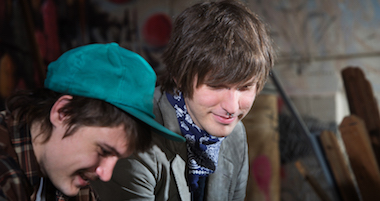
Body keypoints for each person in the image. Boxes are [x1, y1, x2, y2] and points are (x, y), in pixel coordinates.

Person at [92, 0, 275, 200]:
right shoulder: (133, 138)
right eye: (215, 86)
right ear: (180, 76)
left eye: (245, 87)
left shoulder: (234, 134)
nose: (232, 107)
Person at [0, 42, 185, 200]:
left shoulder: (71, 181)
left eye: (117, 158)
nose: (105, 174)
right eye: (103, 151)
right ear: (63, 113)